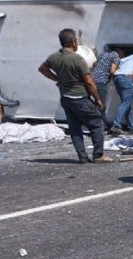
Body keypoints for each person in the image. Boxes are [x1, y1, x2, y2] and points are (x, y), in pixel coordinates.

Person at [39, 29, 113, 164]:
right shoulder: (78, 59)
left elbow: (42, 69)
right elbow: (89, 82)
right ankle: (98, 155)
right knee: (97, 124)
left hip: (66, 98)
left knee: (75, 128)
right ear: (73, 42)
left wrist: (57, 79)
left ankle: (82, 156)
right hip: (80, 98)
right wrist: (97, 99)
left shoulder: (53, 57)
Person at [111, 50, 133, 134]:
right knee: (126, 102)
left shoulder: (128, 58)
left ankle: (131, 127)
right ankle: (116, 125)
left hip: (118, 77)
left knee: (126, 103)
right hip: (125, 77)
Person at [90, 47, 119, 122]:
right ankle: (102, 125)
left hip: (91, 80)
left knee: (95, 102)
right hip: (101, 82)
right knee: (101, 105)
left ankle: (103, 124)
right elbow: (112, 71)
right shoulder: (116, 56)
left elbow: (94, 64)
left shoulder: (101, 54)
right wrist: (116, 82)